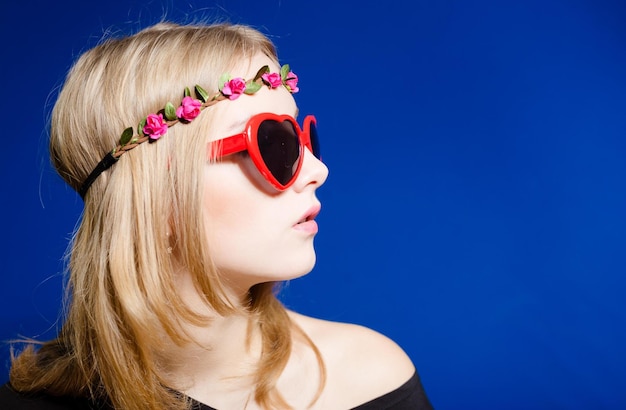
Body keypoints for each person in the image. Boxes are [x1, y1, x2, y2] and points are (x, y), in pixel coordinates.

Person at [0, 21, 433, 410]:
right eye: (274, 143)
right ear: (156, 191)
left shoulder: (371, 377)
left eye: (304, 138)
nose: (318, 170)